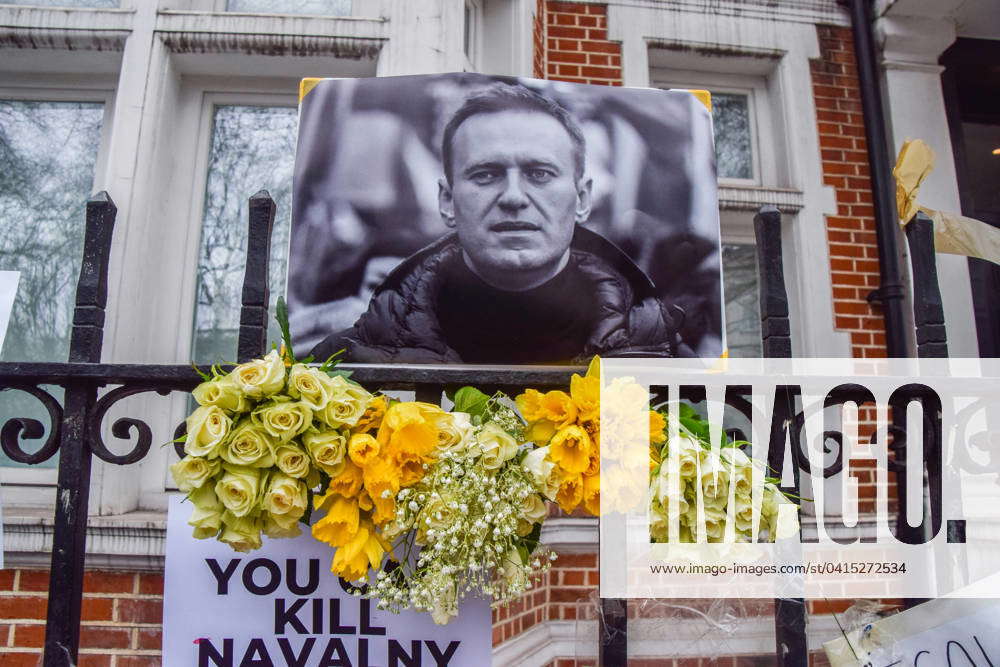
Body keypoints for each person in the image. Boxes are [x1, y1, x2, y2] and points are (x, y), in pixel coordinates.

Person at [310, 83, 685, 364]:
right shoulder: (347, 367)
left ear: (583, 199)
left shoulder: (670, 368)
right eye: (486, 175)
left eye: (539, 174)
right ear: (447, 200)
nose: (513, 197)